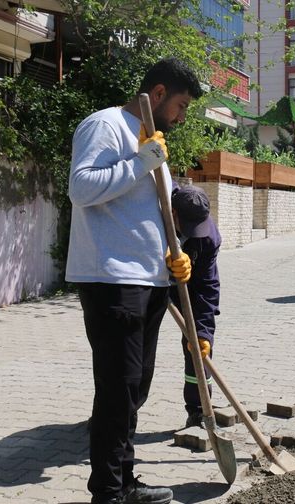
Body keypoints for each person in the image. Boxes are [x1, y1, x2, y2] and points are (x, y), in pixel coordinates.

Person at [67, 57, 202, 504]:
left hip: (150, 279)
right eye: (181, 105)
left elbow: (152, 210)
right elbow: (82, 188)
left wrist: (175, 249)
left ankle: (125, 482)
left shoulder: (152, 138)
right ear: (158, 94)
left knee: (135, 388)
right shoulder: (104, 126)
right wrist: (141, 162)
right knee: (117, 388)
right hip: (111, 278)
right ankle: (107, 493)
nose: (182, 117)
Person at [168, 185, 221, 429]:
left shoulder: (208, 237)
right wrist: (160, 255)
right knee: (135, 348)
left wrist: (203, 332)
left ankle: (199, 410)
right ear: (173, 213)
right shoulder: (154, 213)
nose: (194, 234)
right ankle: (117, 412)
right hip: (147, 285)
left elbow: (208, 287)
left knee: (198, 348)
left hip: (187, 286)